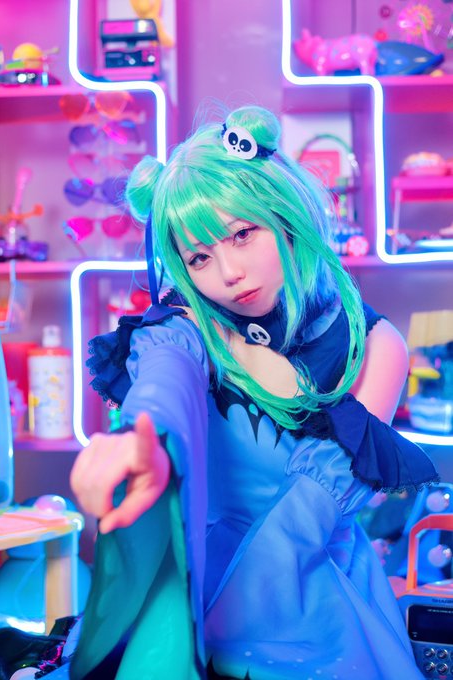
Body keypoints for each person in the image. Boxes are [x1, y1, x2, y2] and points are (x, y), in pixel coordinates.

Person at [69, 105, 438, 680]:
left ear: (281, 211)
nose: (229, 273)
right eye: (199, 257)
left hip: (312, 587)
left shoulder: (374, 344)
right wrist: (145, 440)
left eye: (242, 234)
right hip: (199, 569)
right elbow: (164, 383)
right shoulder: (189, 326)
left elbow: (312, 507)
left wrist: (226, 626)